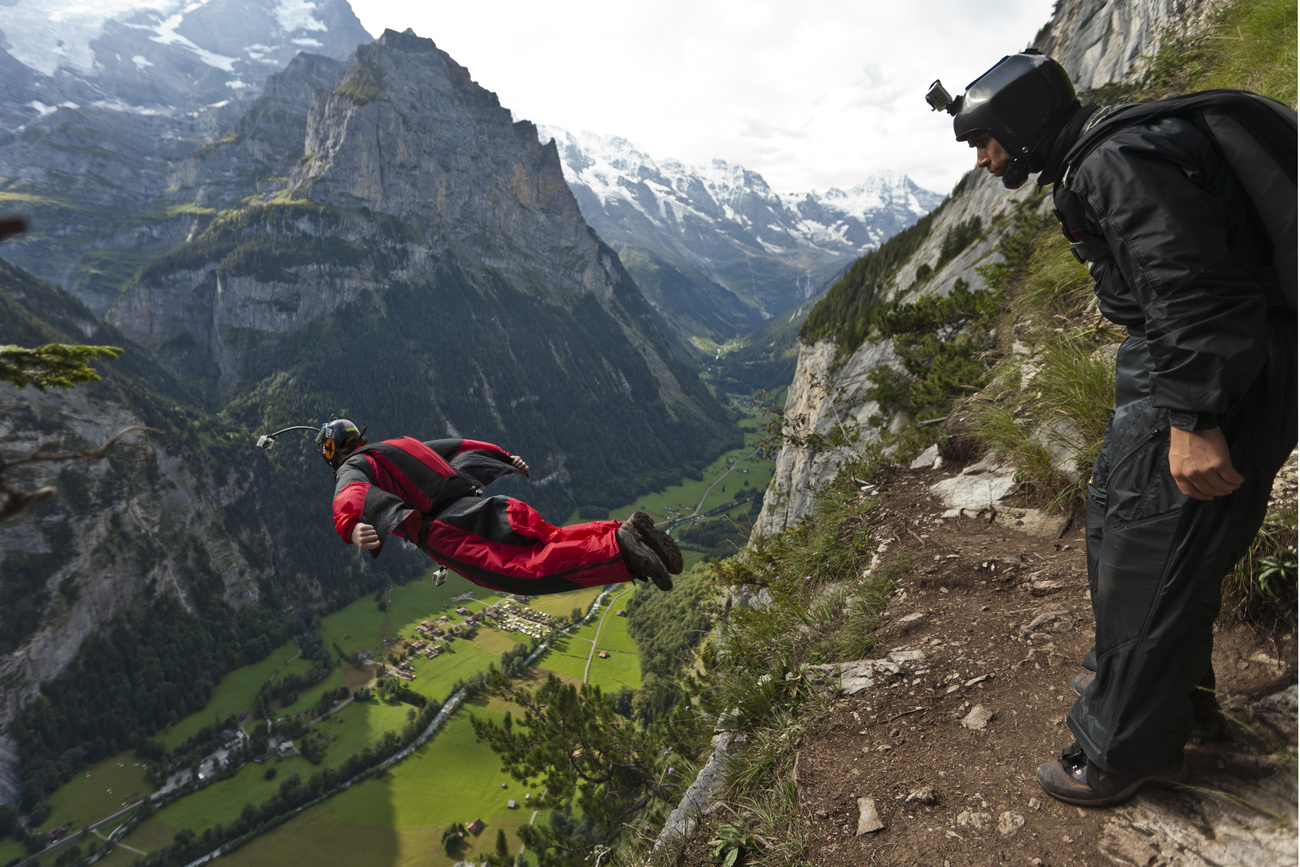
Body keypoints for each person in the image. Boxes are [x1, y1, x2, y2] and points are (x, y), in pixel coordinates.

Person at [935, 50, 1297, 806]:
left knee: (1146, 550)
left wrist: (1195, 418)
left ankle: (1122, 751)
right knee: (1133, 531)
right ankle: (1174, 696)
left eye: (984, 138)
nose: (980, 155)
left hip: (1215, 375)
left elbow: (1192, 285)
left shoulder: (1113, 161)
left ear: (1021, 126)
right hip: (1199, 363)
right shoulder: (1104, 152)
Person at [316, 419, 683, 595]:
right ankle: (625, 532)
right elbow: (459, 446)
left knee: (522, 572)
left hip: (450, 528)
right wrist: (504, 458)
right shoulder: (401, 445)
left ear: (335, 456)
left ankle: (622, 550)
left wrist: (349, 526)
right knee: (550, 539)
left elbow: (349, 494)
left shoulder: (353, 466)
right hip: (486, 504)